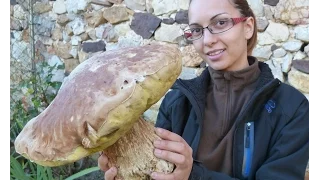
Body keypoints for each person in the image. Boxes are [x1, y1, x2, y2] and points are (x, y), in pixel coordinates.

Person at [98, 0, 309, 179]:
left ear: (248, 26)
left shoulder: (292, 108)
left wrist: (193, 174)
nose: (207, 40)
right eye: (197, 30)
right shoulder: (176, 103)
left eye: (221, 23)